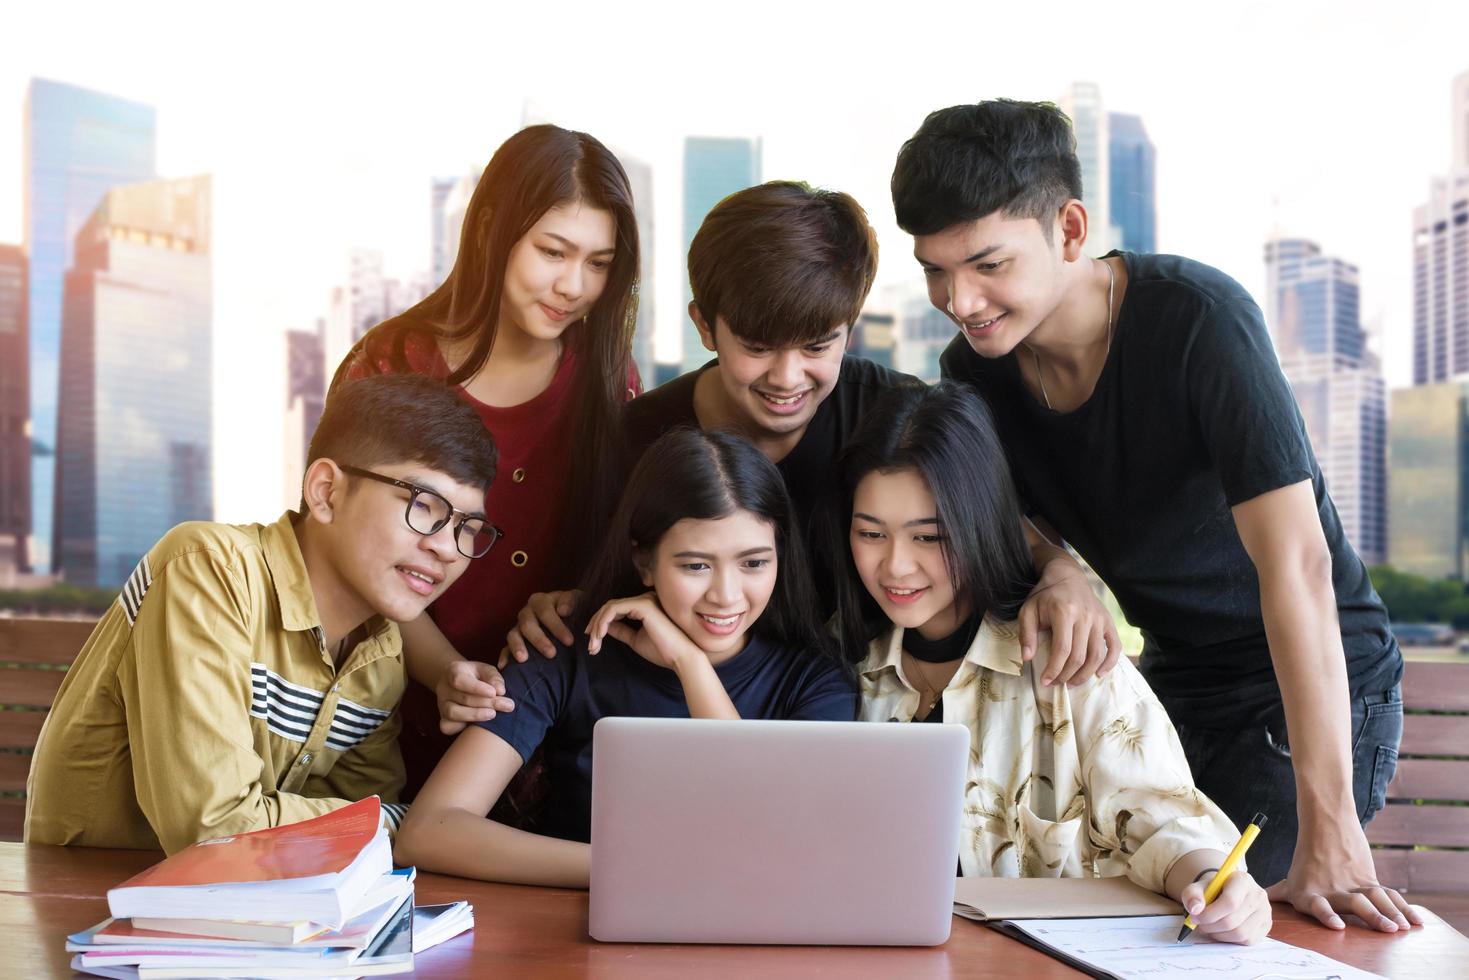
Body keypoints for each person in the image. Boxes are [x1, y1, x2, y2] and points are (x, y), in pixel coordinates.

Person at [891, 99, 1416, 932]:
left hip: (1314, 685)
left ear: (1068, 228)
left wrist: (1333, 828)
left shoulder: (1198, 322)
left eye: (987, 263)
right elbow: (984, 509)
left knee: (1218, 918)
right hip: (1171, 683)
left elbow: (1298, 569)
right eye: (934, 270)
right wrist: (1056, 565)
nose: (959, 299)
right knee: (1125, 902)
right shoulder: (973, 371)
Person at [506, 181, 1119, 694]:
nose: (787, 377)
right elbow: (595, 588)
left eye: (818, 345)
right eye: (757, 347)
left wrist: (1062, 573)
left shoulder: (893, 417)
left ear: (850, 329)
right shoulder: (636, 443)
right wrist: (559, 606)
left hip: (849, 703)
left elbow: (983, 518)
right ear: (704, 326)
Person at [830, 382, 1271, 945]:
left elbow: (1164, 822)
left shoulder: (1068, 653)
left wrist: (1215, 882)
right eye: (870, 533)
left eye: (930, 537)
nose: (895, 565)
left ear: (982, 524)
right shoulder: (834, 667)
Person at [25, 375, 498, 853]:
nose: (445, 548)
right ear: (326, 491)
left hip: (250, 912)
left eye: (468, 527)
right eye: (424, 506)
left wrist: (381, 827)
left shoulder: (381, 650)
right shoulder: (209, 570)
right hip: (92, 904)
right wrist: (413, 825)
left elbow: (357, 840)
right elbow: (215, 830)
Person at [394, 428, 857, 887]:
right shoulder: (565, 651)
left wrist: (690, 666)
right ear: (644, 562)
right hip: (586, 940)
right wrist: (633, 870)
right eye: (696, 565)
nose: (727, 595)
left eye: (754, 563)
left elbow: (780, 842)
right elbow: (428, 832)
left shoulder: (817, 679)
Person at [336, 124, 643, 798]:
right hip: (381, 718)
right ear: (488, 233)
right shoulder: (390, 365)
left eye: (599, 262)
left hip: (547, 727)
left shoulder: (608, 379)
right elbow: (343, 551)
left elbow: (622, 544)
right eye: (552, 251)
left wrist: (578, 597)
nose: (573, 284)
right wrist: (443, 669)